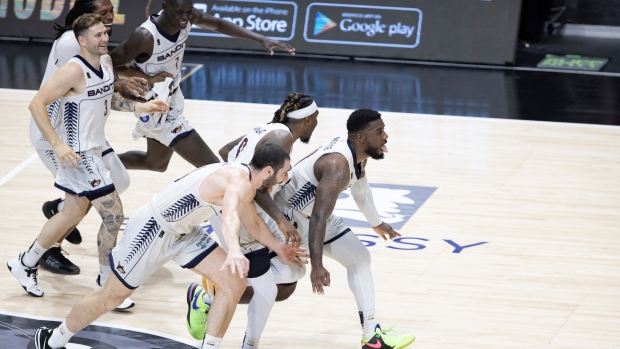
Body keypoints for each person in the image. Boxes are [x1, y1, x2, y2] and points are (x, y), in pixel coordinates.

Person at [33, 143, 301, 349]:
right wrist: (232, 249)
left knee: (234, 282)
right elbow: (230, 215)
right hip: (152, 229)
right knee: (111, 296)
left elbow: (251, 223)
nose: (286, 178)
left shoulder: (247, 184)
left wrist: (279, 248)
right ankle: (52, 340)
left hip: (183, 233)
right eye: (285, 172)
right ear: (268, 171)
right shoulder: (237, 181)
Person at [7, 14, 168, 310]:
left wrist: (139, 106)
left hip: (95, 151)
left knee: (70, 214)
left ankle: (24, 262)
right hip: (79, 156)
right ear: (82, 41)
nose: (104, 39)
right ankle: (107, 283)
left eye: (105, 33)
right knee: (114, 216)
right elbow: (36, 104)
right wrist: (56, 145)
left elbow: (108, 99)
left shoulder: (105, 64)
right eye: (97, 35)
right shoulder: (72, 71)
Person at [269, 109, 416, 349]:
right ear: (360, 138)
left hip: (313, 217)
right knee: (286, 280)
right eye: (379, 132)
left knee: (360, 258)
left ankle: (371, 337)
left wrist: (376, 222)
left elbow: (360, 187)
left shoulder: (358, 155)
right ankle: (211, 295)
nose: (386, 136)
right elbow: (319, 216)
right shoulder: (337, 165)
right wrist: (317, 265)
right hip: (288, 220)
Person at [185, 93, 319, 348]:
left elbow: (226, 151)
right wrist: (280, 219)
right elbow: (255, 187)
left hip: (242, 209)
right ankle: (213, 302)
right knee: (276, 284)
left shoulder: (268, 129)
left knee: (291, 274)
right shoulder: (282, 139)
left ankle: (210, 296)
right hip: (242, 215)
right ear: (308, 119)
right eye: (317, 119)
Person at [32, 0, 150, 280]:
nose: (110, 16)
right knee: (98, 204)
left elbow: (99, 82)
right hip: (58, 132)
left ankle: (57, 211)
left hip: (89, 131)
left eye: (111, 10)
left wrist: (128, 93)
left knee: (118, 181)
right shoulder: (69, 44)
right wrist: (117, 85)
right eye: (104, 12)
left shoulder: (98, 46)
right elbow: (69, 88)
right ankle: (51, 249)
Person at [109, 0, 296, 173]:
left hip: (171, 95)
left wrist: (260, 38)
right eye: (179, 12)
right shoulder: (145, 36)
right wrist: (145, 78)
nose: (184, 18)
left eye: (188, 12)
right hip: (154, 105)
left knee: (156, 163)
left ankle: (102, 163)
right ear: (165, 6)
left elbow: (218, 24)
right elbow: (110, 63)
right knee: (215, 168)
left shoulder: (188, 17)